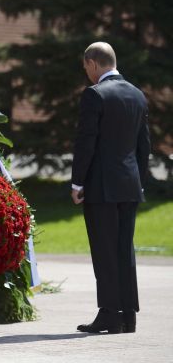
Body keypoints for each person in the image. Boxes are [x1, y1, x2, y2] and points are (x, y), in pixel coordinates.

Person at [71, 42, 150, 334]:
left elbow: (86, 142)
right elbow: (145, 147)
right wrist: (136, 181)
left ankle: (108, 315)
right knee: (123, 250)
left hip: (101, 187)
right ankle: (128, 315)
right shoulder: (137, 95)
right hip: (130, 186)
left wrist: (77, 182)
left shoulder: (95, 95)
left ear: (93, 63)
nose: (87, 74)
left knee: (104, 251)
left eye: (86, 68)